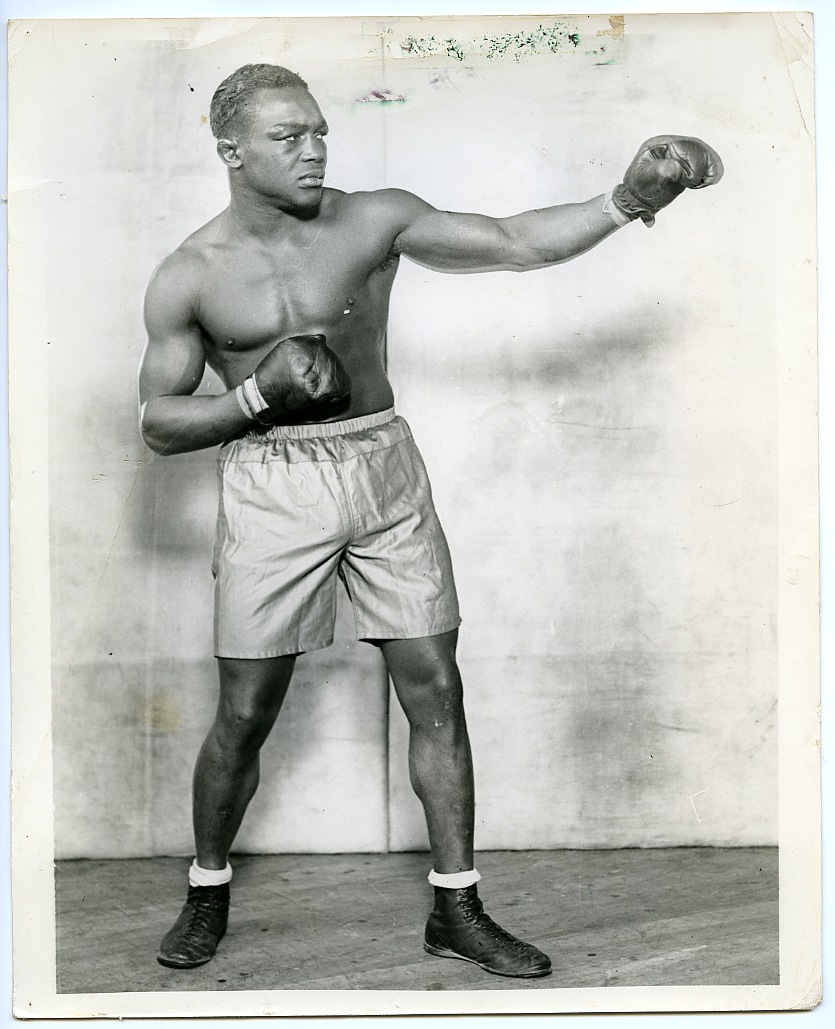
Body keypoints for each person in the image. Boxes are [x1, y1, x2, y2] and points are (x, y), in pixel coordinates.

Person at [139, 63, 722, 979]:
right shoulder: (189, 273)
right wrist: (254, 394)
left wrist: (625, 197)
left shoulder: (373, 217)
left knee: (435, 687)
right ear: (230, 152)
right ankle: (206, 889)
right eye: (286, 137)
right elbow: (157, 423)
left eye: (319, 130)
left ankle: (457, 906)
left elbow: (513, 240)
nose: (313, 149)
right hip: (270, 482)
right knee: (247, 709)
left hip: (381, 466)